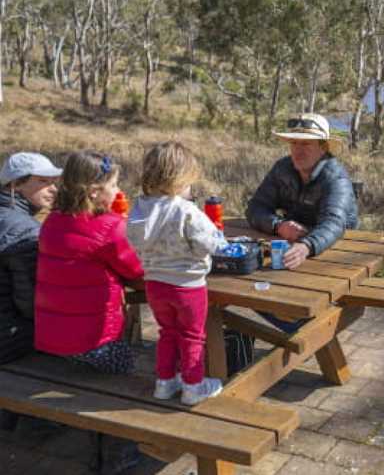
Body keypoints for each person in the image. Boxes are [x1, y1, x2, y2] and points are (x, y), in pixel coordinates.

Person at [126, 142, 227, 405]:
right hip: (188, 286)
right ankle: (193, 386)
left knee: (167, 332)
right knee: (193, 336)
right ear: (180, 180)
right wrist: (220, 239)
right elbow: (210, 244)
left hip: (155, 284)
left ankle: (165, 382)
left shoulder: (139, 209)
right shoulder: (186, 211)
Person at [245, 114, 357, 334]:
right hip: (294, 247)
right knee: (248, 283)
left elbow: (334, 223)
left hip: (336, 251)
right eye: (294, 143)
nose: (298, 150)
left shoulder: (336, 178)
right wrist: (278, 225)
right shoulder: (282, 169)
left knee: (292, 312)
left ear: (323, 147)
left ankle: (300, 329)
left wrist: (307, 245)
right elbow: (255, 208)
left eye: (306, 143)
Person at [35, 152, 144, 374]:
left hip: (54, 340)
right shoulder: (109, 227)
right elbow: (137, 270)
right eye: (113, 185)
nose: (118, 190)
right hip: (98, 342)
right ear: (94, 191)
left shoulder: (52, 220)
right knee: (133, 370)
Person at [0, 152, 61, 364]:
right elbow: (31, 304)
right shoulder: (25, 230)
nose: (53, 189)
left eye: (54, 182)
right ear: (15, 185)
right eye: (43, 181)